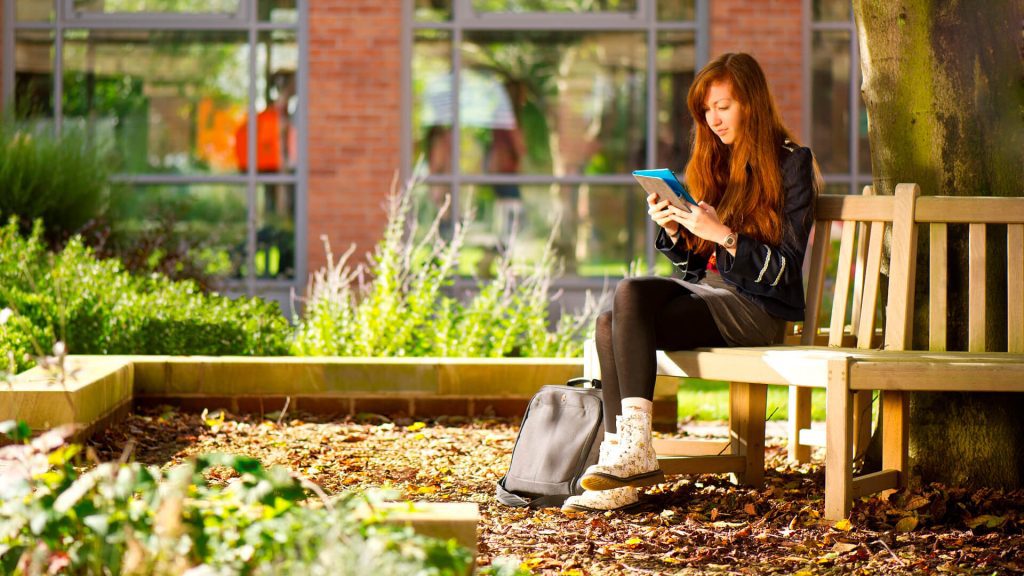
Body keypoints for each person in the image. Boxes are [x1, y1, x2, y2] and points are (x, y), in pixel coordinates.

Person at [562, 52, 822, 512]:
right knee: (610, 320)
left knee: (628, 297)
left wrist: (722, 233)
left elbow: (784, 269)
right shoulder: (715, 161)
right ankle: (623, 466)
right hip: (714, 297)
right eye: (706, 109)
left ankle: (634, 455)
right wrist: (678, 229)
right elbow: (697, 264)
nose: (713, 119)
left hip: (757, 310)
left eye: (723, 106)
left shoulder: (791, 164)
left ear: (751, 104)